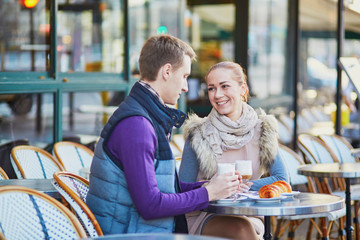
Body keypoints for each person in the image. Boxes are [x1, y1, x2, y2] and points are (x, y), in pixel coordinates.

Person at [86, 35, 241, 235]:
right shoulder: (137, 125)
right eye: (184, 76)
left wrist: (208, 186)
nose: (185, 87)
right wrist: (208, 193)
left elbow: (164, 187)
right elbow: (150, 205)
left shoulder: (144, 115)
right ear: (167, 71)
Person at [179, 61, 289, 240]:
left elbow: (282, 179)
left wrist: (237, 188)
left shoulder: (263, 130)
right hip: (206, 216)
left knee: (243, 226)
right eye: (212, 88)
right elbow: (182, 190)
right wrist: (214, 190)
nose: (218, 94)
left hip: (250, 214)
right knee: (240, 228)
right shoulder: (198, 134)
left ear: (243, 89)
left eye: (225, 86)